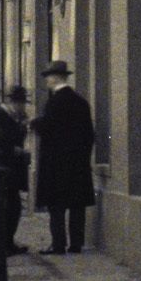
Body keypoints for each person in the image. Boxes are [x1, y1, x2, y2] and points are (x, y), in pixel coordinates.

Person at [32, 60, 96, 255]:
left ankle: (58, 244)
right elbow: (89, 135)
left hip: (56, 165)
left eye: (48, 77)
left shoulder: (54, 102)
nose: (46, 81)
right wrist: (83, 158)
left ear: (55, 78)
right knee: (77, 206)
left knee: (56, 208)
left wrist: (36, 124)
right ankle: (76, 243)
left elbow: (49, 129)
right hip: (77, 164)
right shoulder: (81, 102)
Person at [3, 85, 31, 254]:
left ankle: (8, 242)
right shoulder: (3, 116)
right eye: (21, 103)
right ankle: (6, 243)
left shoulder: (18, 117)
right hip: (7, 168)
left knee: (14, 207)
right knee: (11, 207)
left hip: (15, 169)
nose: (23, 107)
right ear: (13, 102)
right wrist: (15, 150)